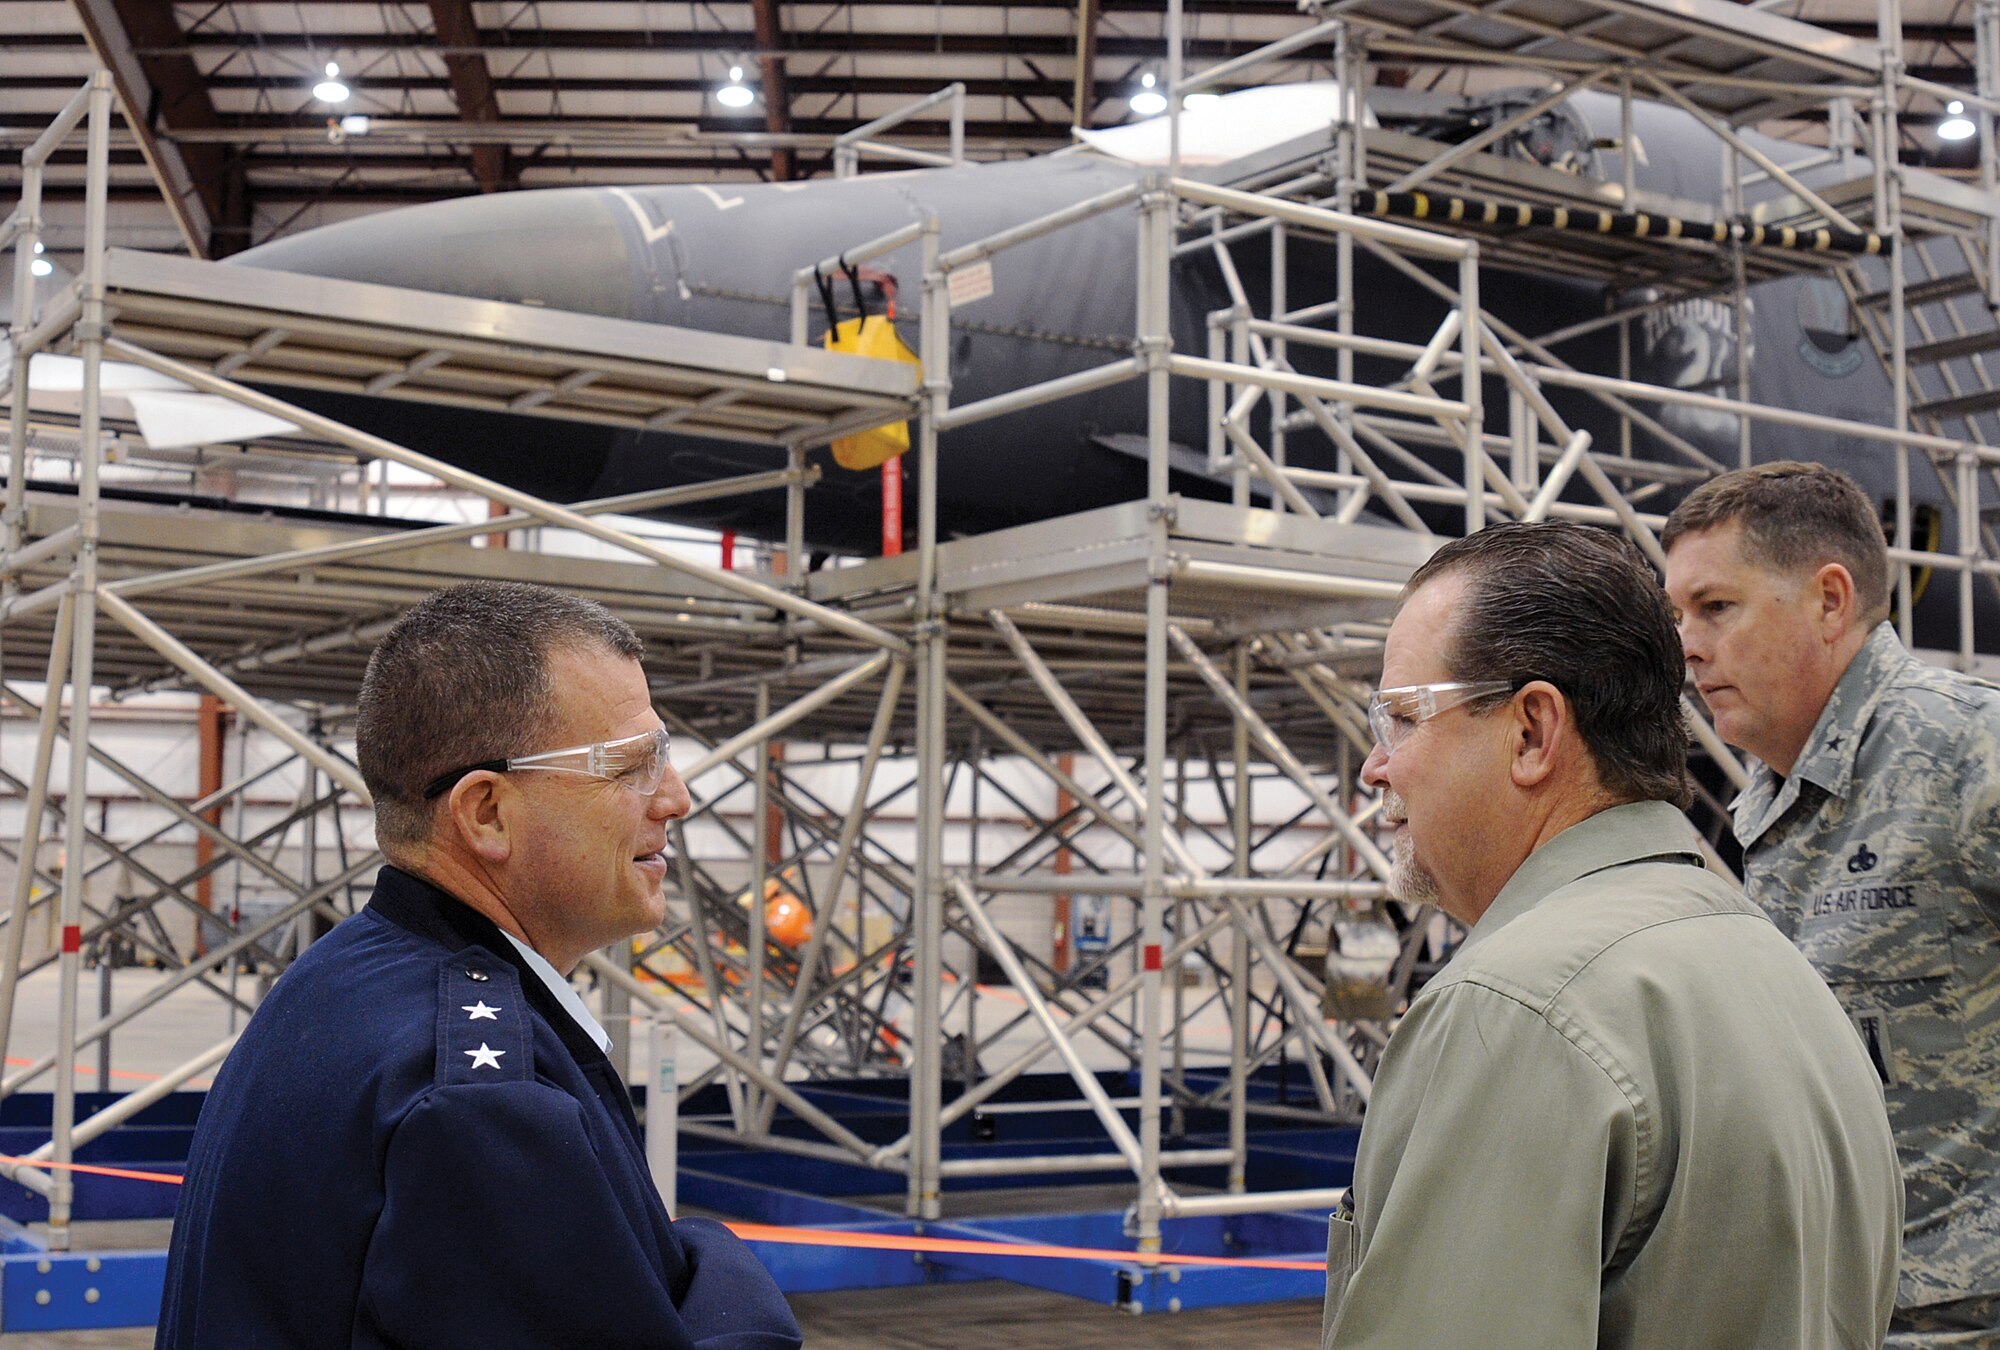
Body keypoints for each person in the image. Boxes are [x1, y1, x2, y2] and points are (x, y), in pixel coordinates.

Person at [158, 581, 802, 1350]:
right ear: (487, 812)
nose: (677, 797)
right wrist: (725, 1272)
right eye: (632, 764)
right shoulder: (478, 1103)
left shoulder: (339, 981)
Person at [1323, 521, 1900, 1350]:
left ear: (1532, 732)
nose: (1377, 767)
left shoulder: (1515, 1010)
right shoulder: (1777, 969)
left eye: (1405, 719)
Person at [1664, 461, 2000, 1345]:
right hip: (1841, 1309)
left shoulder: (1971, 754)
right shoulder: (1771, 802)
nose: (1688, 646)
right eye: (1677, 618)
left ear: (1829, 600)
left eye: (1716, 608)